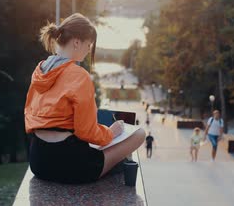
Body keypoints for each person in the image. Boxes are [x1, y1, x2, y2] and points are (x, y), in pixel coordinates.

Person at [25, 13, 145, 184]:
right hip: (73, 166)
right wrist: (111, 132)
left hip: (38, 162)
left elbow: (29, 117)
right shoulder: (79, 76)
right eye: (88, 45)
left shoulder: (40, 71)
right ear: (76, 42)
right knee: (139, 134)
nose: (89, 50)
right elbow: (86, 131)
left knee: (91, 140)